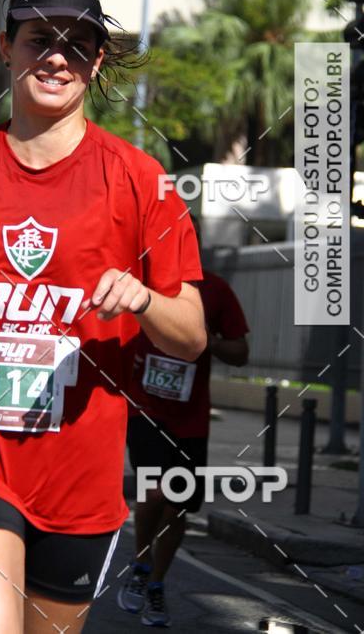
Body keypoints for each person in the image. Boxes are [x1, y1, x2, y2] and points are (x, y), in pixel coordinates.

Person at [0, 0, 207, 634]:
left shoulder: (141, 180)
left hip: (80, 476)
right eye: (39, 39)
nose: (56, 56)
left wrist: (144, 297)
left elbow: (191, 336)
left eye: (75, 44)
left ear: (94, 63)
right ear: (7, 47)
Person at [118, 217, 249, 627]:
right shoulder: (134, 284)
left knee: (179, 504)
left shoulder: (214, 290)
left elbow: (241, 352)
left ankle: (155, 583)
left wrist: (207, 340)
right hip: (144, 409)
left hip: (191, 419)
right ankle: (141, 563)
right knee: (156, 492)